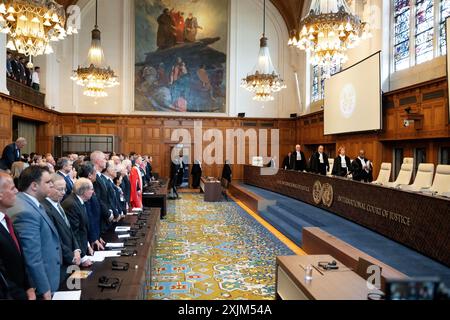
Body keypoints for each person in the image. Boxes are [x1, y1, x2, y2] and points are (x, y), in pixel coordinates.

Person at [9, 166, 61, 299]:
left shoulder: (34, 203)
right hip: (41, 285)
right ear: (34, 186)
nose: (52, 185)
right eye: (48, 182)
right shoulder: (25, 211)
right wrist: (44, 288)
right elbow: (32, 256)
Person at [41, 174, 82, 285]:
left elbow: (69, 230)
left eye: (65, 189)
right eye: (60, 189)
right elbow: (56, 238)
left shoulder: (58, 205)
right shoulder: (45, 209)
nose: (63, 192)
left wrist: (77, 250)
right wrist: (71, 257)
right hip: (61, 263)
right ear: (49, 188)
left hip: (71, 260)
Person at [0, 172, 35, 300]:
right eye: (12, 188)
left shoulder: (7, 220)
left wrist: (29, 286)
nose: (16, 191)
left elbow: (19, 258)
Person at [62, 178, 94, 266]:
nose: (93, 192)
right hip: (76, 257)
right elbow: (74, 233)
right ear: (84, 191)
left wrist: (87, 246)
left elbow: (82, 228)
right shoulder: (71, 204)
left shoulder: (79, 201)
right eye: (91, 189)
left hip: (83, 249)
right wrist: (83, 257)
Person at [77, 162, 104, 251]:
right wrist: (93, 237)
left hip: (95, 234)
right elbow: (89, 216)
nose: (97, 174)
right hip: (89, 240)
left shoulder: (91, 185)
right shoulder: (84, 189)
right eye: (95, 172)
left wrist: (97, 236)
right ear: (89, 175)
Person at [91, 151, 116, 233]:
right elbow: (98, 199)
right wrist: (108, 213)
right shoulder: (94, 177)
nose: (106, 161)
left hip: (105, 216)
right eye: (104, 159)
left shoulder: (100, 176)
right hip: (100, 218)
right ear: (98, 161)